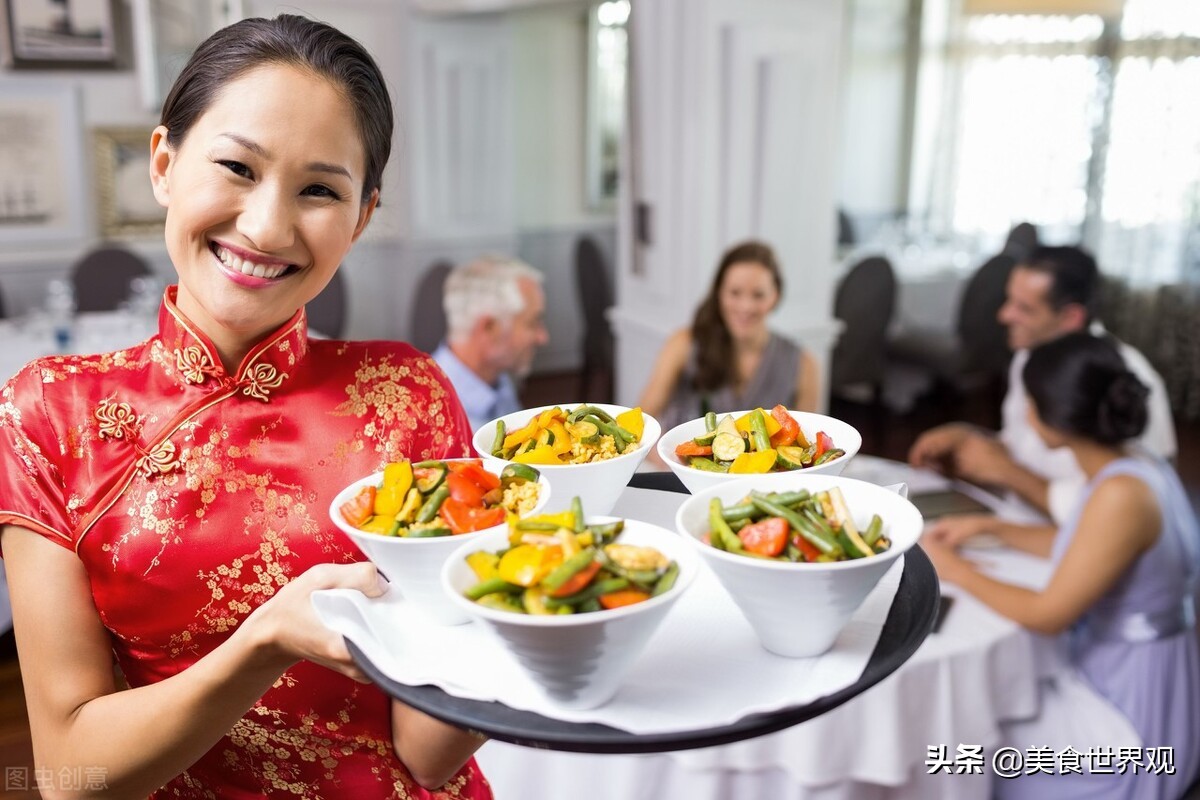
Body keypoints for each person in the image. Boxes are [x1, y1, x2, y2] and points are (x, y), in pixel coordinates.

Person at [0, 16, 493, 799]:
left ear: (361, 217)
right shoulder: (48, 415)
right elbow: (67, 775)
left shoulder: (408, 395)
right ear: (163, 164)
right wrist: (265, 640)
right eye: (237, 167)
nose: (266, 226)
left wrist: (509, 619)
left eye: (320, 190)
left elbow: (430, 754)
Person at [923, 333, 1200, 799]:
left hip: (1132, 716)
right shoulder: (1135, 463)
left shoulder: (1120, 494)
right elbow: (1092, 547)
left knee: (959, 749)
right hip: (1152, 678)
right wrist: (990, 529)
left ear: (1048, 414)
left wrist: (954, 570)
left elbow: (1048, 614)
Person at [908, 245, 1175, 523]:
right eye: (1009, 300)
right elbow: (1024, 446)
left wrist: (1007, 472)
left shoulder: (1126, 379)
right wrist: (970, 438)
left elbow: (1134, 511)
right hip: (1019, 522)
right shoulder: (1030, 355)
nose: (1003, 316)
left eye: (1024, 308)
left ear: (1071, 317)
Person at [638, 240, 821, 434]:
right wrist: (672, 459)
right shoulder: (683, 345)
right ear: (719, 293)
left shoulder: (804, 364)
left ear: (775, 296)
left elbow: (804, 441)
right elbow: (641, 427)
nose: (746, 306)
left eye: (758, 295)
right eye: (735, 293)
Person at [431, 256, 548, 431]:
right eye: (532, 323)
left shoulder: (496, 377)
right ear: (489, 328)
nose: (543, 337)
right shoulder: (440, 425)